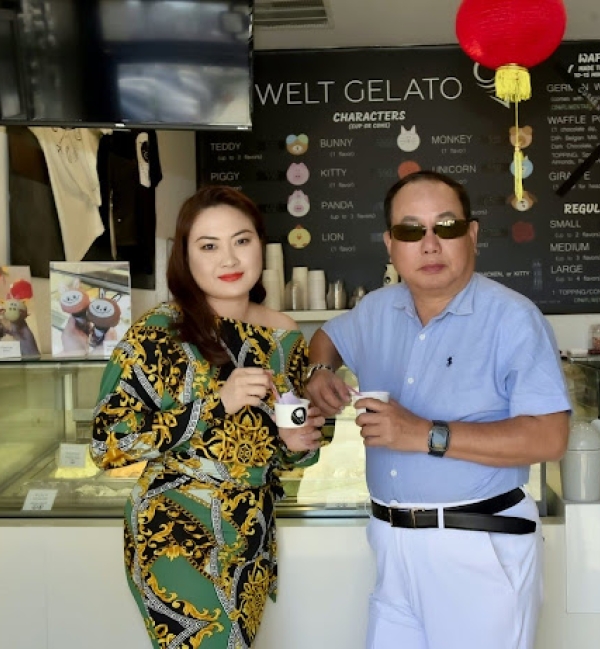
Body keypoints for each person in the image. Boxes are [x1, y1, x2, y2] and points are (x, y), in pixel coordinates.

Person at [305, 170, 570, 649]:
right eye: (411, 231)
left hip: (478, 545)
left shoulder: (513, 319)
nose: (429, 245)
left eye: (446, 227)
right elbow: (327, 337)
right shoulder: (377, 310)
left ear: (472, 234)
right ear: (390, 244)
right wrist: (320, 371)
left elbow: (550, 438)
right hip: (390, 543)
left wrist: (426, 434)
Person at [91, 185, 323, 649]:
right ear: (185, 257)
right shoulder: (158, 334)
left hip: (251, 533)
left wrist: (299, 446)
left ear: (260, 245)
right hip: (175, 534)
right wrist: (216, 402)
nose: (229, 258)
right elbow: (107, 444)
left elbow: (286, 450)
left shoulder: (284, 336)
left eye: (242, 240)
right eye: (209, 246)